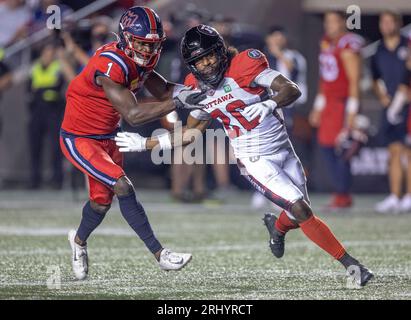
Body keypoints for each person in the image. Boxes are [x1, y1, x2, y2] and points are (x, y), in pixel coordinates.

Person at [115, 24, 374, 286]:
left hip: (283, 149)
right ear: (191, 65)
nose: (206, 65)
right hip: (253, 159)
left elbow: (290, 88)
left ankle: (278, 228)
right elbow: (191, 134)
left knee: (298, 215)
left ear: (221, 51)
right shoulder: (196, 88)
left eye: (209, 56)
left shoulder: (245, 65)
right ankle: (353, 266)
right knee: (301, 208)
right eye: (199, 61)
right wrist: (145, 143)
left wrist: (269, 102)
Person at [60, 6, 203, 280]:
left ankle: (78, 242)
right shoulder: (110, 64)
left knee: (101, 204)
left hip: (109, 137)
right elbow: (134, 115)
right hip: (81, 138)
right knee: (123, 186)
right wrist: (179, 101)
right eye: (141, 44)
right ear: (126, 38)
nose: (147, 51)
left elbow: (161, 89)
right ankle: (161, 255)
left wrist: (196, 92)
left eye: (151, 45)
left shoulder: (139, 60)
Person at [309, 11, 364, 209]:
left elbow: (354, 81)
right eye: (327, 21)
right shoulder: (326, 42)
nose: (329, 25)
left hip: (343, 102)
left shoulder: (348, 43)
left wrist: (352, 111)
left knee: (341, 149)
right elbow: (325, 78)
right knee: (327, 147)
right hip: (330, 103)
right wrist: (318, 106)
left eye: (333, 21)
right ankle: (340, 193)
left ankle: (343, 194)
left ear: (343, 22)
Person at [371, 11, 411, 213]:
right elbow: (375, 78)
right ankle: (395, 196)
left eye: (389, 21)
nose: (385, 25)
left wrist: (402, 98)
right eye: (382, 21)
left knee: (408, 152)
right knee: (394, 151)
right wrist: (383, 97)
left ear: (398, 23)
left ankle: (409, 196)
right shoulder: (378, 49)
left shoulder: (408, 44)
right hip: (390, 108)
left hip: (407, 105)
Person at [27, 44, 65, 189]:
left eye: (52, 52)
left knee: (56, 147)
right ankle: (34, 180)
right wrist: (43, 91)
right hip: (37, 110)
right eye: (47, 52)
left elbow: (57, 86)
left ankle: (57, 180)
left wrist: (40, 90)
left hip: (53, 109)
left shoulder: (58, 67)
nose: (49, 55)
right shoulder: (34, 67)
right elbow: (29, 89)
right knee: (35, 146)